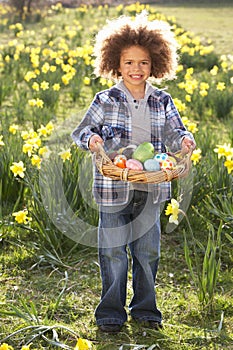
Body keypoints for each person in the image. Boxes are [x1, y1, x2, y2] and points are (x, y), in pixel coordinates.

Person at [71, 12, 196, 334]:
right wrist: (92, 139)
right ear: (116, 63)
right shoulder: (105, 98)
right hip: (112, 188)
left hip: (152, 189)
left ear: (155, 63)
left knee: (147, 251)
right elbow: (81, 131)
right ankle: (110, 312)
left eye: (142, 63)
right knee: (112, 252)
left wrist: (183, 139)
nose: (136, 69)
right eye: (128, 63)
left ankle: (146, 309)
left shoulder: (163, 100)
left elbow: (175, 132)